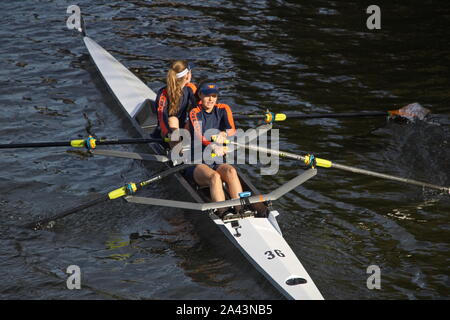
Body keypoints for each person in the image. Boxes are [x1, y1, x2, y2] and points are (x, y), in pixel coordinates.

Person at [185, 82, 244, 217]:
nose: (211, 99)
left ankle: (240, 209)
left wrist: (224, 134)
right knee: (215, 177)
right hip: (196, 162)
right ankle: (223, 212)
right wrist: (212, 145)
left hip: (216, 160)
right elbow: (199, 135)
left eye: (214, 96)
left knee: (231, 171)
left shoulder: (223, 109)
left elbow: (232, 130)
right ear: (200, 95)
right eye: (207, 96)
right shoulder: (195, 112)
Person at [154, 60, 197, 143]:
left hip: (182, 130)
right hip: (165, 133)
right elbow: (162, 120)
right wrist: (169, 135)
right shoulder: (163, 94)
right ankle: (176, 148)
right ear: (187, 76)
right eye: (191, 72)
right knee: (173, 120)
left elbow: (200, 107)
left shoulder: (190, 88)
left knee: (195, 118)